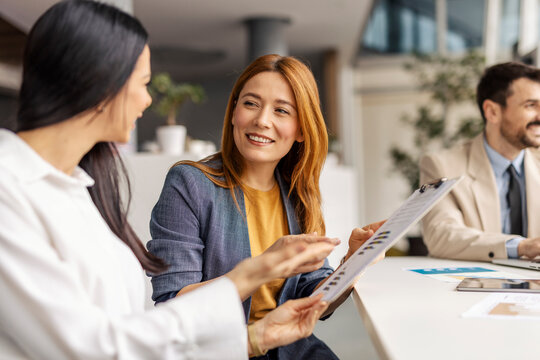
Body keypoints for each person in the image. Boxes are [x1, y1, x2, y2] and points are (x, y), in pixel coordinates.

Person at [0, 1, 343, 358]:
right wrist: (250, 276)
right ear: (97, 80)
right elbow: (97, 347)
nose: (148, 100)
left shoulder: (77, 189)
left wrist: (256, 338)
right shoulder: (9, 190)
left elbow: (131, 334)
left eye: (281, 110)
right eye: (144, 82)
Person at [148, 54, 383, 359]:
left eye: (281, 110)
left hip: (289, 347)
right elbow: (173, 305)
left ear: (301, 129)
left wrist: (355, 260)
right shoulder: (190, 184)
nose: (262, 120)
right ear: (234, 112)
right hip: (217, 350)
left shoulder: (298, 193)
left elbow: (315, 298)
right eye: (250, 103)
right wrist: (264, 267)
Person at [420, 61, 540, 261]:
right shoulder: (442, 166)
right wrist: (522, 246)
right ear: (492, 112)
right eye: (530, 105)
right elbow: (441, 235)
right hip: (472, 289)